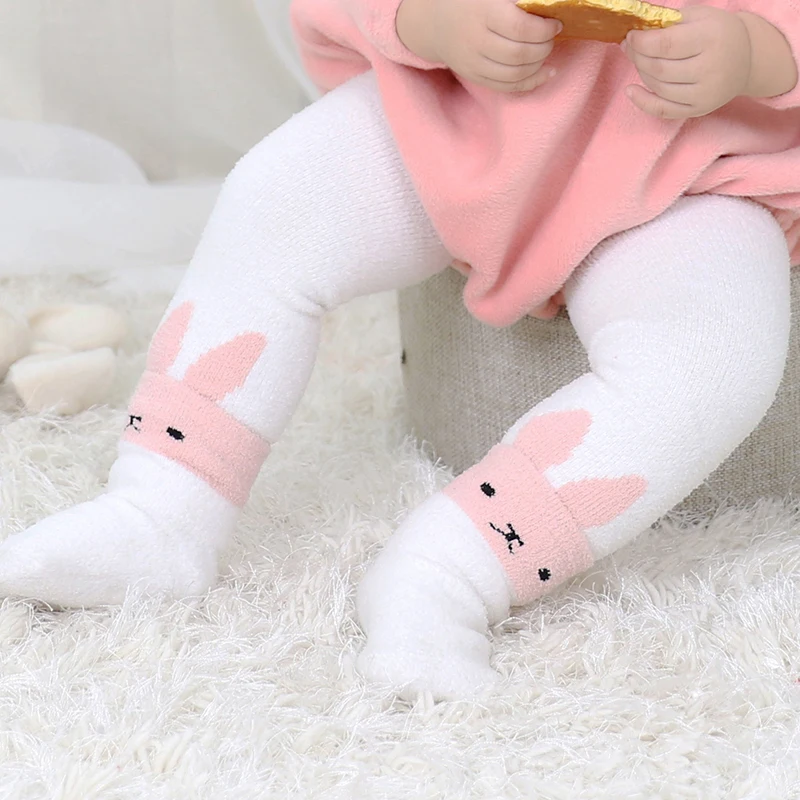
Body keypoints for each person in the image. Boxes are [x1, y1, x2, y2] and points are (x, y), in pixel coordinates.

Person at [1, 0, 798, 700]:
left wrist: (758, 52)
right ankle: (161, 507)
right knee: (274, 198)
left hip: (691, 168)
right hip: (459, 119)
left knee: (712, 358)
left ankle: (452, 568)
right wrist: (436, 19)